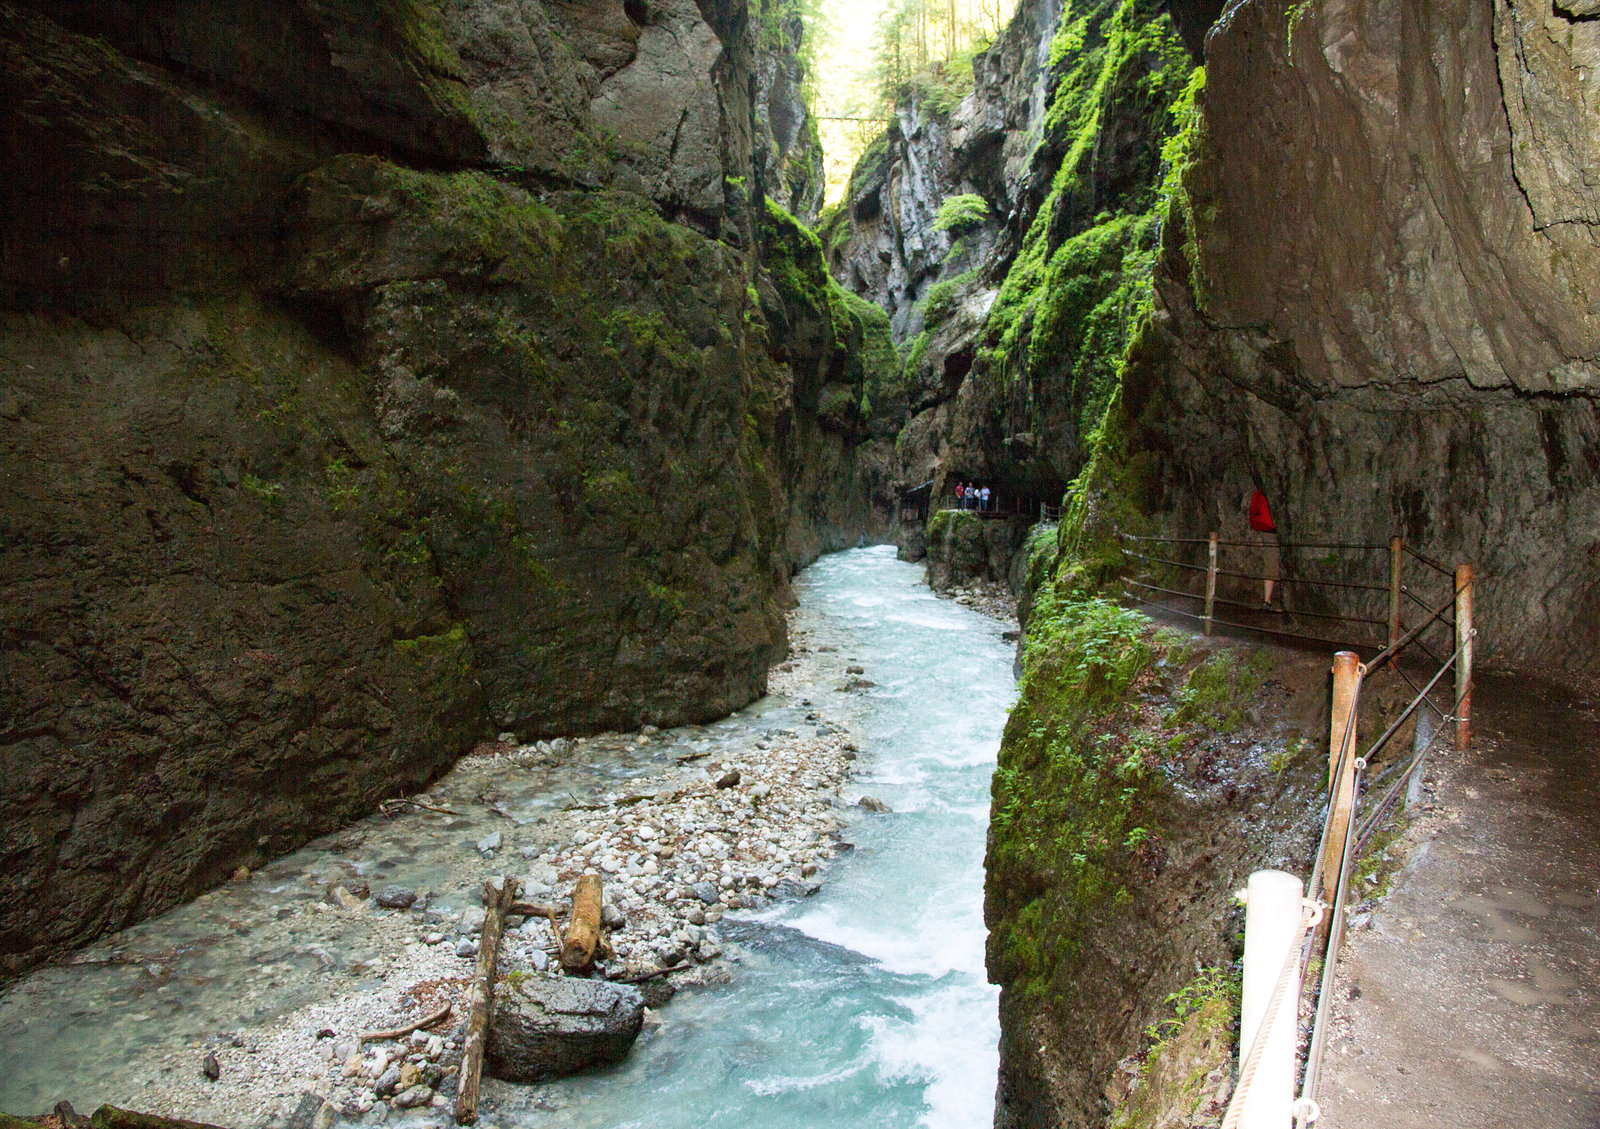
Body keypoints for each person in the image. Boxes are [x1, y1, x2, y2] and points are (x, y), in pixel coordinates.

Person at [1249, 488, 1280, 607]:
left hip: (1268, 528)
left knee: (1270, 561)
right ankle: (1267, 600)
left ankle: (1267, 600)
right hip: (1272, 529)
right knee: (1272, 562)